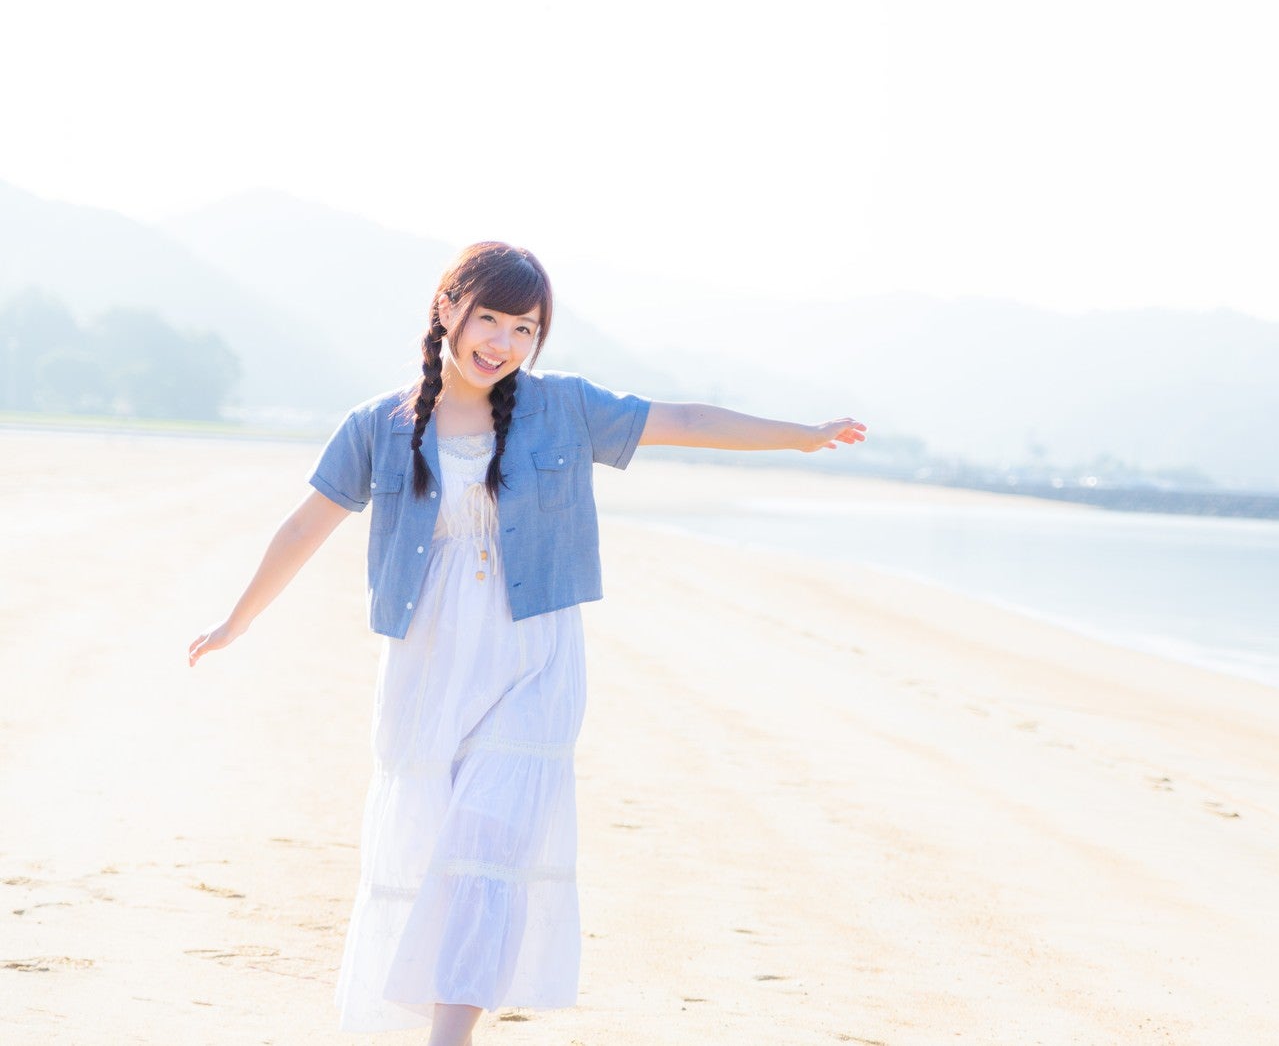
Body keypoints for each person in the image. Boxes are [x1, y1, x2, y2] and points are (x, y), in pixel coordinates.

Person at [187, 241, 865, 1045]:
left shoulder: (563, 408)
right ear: (448, 309)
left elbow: (681, 419)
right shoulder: (377, 424)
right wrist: (239, 619)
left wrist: (801, 436)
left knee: (487, 843)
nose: (502, 343)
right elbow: (306, 524)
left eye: (524, 327)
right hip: (430, 657)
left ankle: (452, 1035)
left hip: (534, 656)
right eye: (490, 319)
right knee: (432, 840)